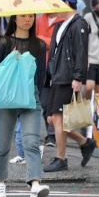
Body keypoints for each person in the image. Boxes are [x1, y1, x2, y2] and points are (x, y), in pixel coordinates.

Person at [0, 14, 49, 197]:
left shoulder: (39, 45)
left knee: (31, 142)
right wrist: (12, 59)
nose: (27, 19)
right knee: (3, 143)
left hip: (31, 97)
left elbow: (41, 74)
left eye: (31, 16)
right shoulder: (5, 42)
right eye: (23, 16)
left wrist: (38, 97)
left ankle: (35, 184)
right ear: (15, 19)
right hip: (7, 97)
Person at [43, 0, 96, 173]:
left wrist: (78, 77)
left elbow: (81, 52)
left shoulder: (79, 24)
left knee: (58, 119)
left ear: (66, 3)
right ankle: (85, 142)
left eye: (56, 3)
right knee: (51, 119)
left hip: (68, 78)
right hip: (57, 77)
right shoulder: (60, 25)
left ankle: (61, 158)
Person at [36, 9, 64, 147]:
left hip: (56, 66)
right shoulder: (39, 19)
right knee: (44, 102)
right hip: (40, 64)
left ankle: (52, 134)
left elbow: (58, 43)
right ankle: (51, 133)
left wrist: (42, 39)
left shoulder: (62, 20)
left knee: (53, 101)